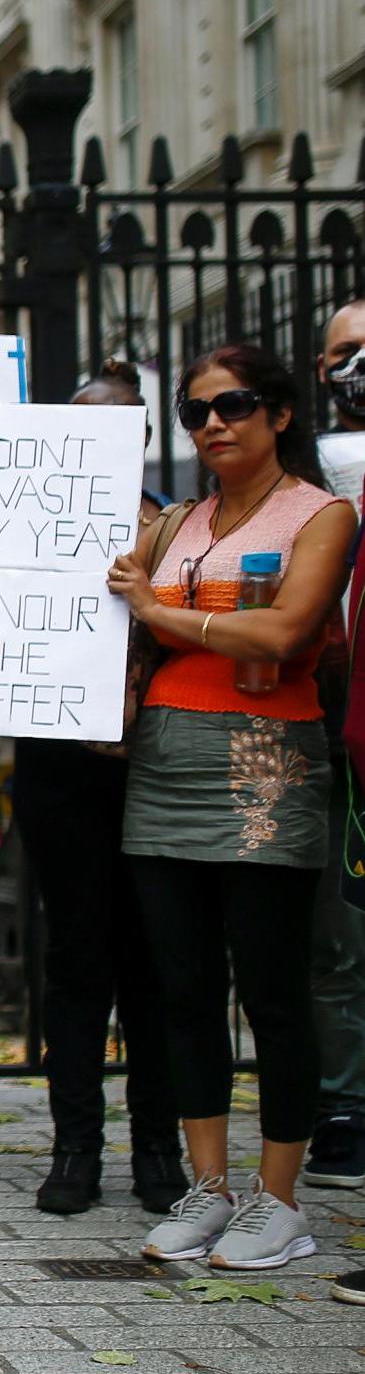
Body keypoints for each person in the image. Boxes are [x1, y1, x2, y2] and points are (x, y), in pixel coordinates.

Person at [110, 343, 355, 1269]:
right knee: (181, 990)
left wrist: (167, 616)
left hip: (264, 763)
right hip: (165, 762)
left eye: (235, 404)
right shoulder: (175, 521)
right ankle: (208, 1188)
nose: (213, 423)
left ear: (279, 414)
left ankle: (280, 1200)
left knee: (270, 989)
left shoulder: (320, 515)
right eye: (195, 411)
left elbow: (288, 628)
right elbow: (72, 594)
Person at [11, 360, 185, 1215]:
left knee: (154, 962)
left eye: (116, 424)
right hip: (56, 773)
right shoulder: (20, 522)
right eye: (81, 423)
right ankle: (75, 1147)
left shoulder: (182, 528)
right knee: (75, 962)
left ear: (143, 437)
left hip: (156, 768)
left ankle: (157, 1147)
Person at [309, 296, 365, 1192]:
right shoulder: (313, 476)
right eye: (344, 352)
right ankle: (345, 1109)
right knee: (337, 942)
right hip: (335, 739)